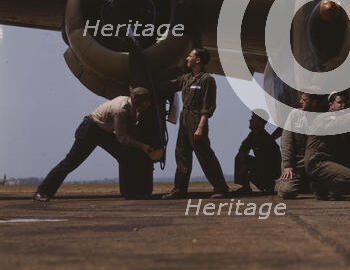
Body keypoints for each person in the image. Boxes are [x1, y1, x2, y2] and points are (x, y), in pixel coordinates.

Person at [33, 87, 154, 202]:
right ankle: (42, 192)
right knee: (70, 162)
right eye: (146, 101)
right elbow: (122, 138)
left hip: (103, 131)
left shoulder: (130, 105)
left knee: (125, 156)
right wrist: (142, 146)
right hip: (90, 130)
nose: (148, 104)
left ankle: (130, 193)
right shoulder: (121, 110)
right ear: (138, 101)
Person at [162, 48, 229, 199]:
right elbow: (169, 85)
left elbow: (208, 107)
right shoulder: (186, 78)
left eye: (190, 56)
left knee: (204, 154)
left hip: (197, 119)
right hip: (184, 118)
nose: (187, 58)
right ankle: (179, 189)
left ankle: (221, 188)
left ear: (198, 60)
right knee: (182, 153)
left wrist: (200, 127)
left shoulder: (207, 80)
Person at [304, 91, 350, 200]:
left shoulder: (336, 119)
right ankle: (325, 188)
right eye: (340, 102)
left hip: (326, 161)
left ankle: (320, 187)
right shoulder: (323, 118)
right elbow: (339, 122)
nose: (343, 105)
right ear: (331, 105)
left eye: (345, 103)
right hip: (316, 162)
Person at [277, 93, 324, 199]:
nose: (300, 102)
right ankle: (281, 184)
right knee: (287, 192)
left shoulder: (320, 118)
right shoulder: (294, 115)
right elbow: (286, 141)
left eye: (304, 100)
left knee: (326, 192)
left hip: (314, 164)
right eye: (301, 99)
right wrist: (287, 165)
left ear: (313, 102)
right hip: (296, 164)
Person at [233, 109, 282, 195]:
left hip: (270, 171)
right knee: (240, 157)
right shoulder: (253, 135)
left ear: (259, 122)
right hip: (261, 167)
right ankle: (246, 187)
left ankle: (268, 185)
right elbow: (243, 150)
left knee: (243, 160)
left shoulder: (265, 139)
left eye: (253, 118)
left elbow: (270, 163)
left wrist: (246, 168)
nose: (250, 120)